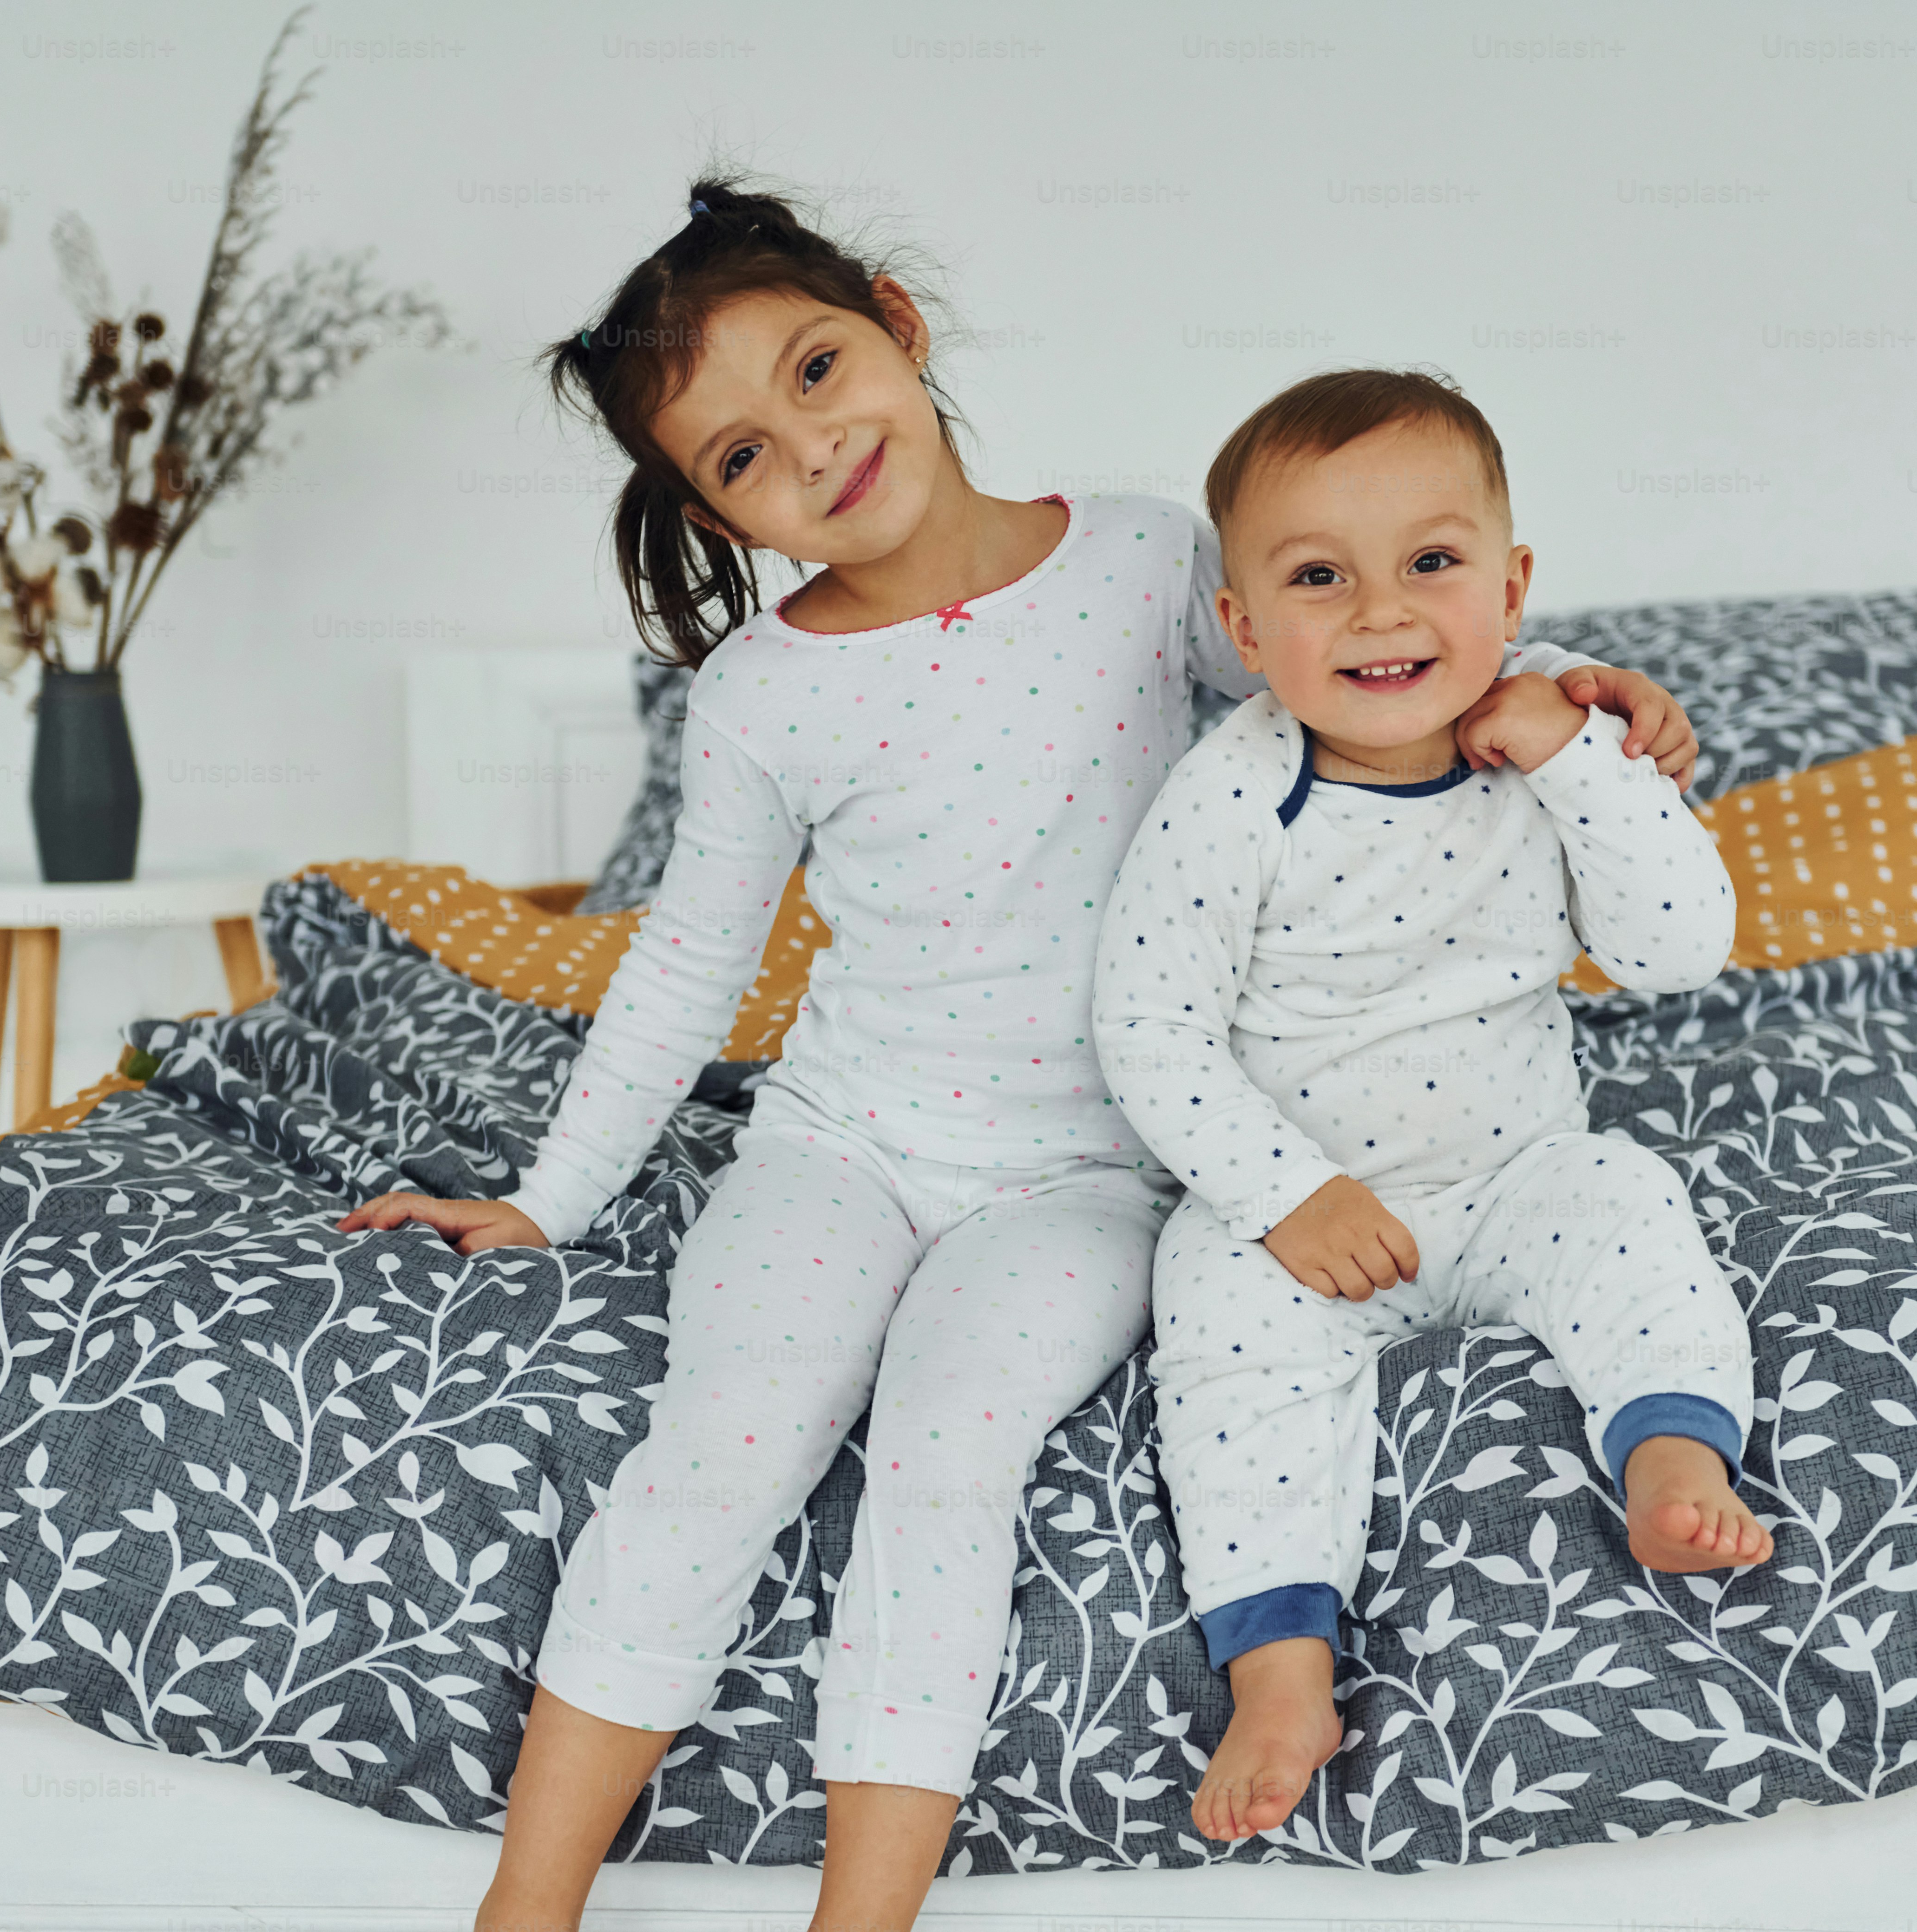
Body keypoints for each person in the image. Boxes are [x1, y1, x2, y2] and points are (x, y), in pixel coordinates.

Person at [338, 183, 1700, 1932]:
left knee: (943, 1455)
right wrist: (545, 1204)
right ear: (714, 516)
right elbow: (687, 969)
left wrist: (1580, 687)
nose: (814, 449)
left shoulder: (1142, 561)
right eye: (743, 457)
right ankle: (523, 1909)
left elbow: (1358, 642)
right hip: (837, 1141)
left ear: (900, 326)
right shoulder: (763, 693)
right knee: (725, 1434)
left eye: (820, 369)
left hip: (1089, 1176)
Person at [1092, 366, 1773, 1850]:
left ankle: (1670, 1455)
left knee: (1631, 1202)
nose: (1385, 613)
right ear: (1244, 629)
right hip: (1313, 1219)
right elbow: (1148, 1030)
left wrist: (1588, 764)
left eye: (1433, 564)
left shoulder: (1557, 731)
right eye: (1320, 578)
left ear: (1512, 583)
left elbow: (1678, 951)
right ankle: (1282, 1672)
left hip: (1516, 1171)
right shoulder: (1228, 799)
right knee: (1214, 1319)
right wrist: (1283, 1194)